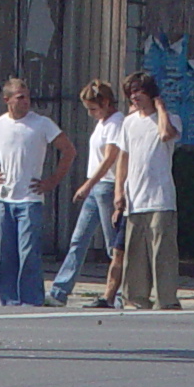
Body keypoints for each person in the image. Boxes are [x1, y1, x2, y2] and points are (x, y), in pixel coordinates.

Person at [0, 76, 74, 306]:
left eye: (27, 97)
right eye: (20, 97)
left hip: (30, 199)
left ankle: (31, 298)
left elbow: (68, 150)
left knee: (28, 252)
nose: (26, 101)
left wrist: (52, 181)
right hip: (4, 199)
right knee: (6, 254)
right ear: (7, 99)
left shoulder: (42, 124)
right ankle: (9, 299)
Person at [45, 79, 126, 307]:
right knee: (78, 240)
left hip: (106, 185)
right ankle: (60, 291)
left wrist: (88, 184)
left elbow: (110, 157)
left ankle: (118, 293)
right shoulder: (103, 123)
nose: (91, 113)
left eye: (93, 108)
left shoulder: (115, 123)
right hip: (96, 187)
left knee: (114, 246)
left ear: (106, 103)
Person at [112, 69, 183, 311]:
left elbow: (166, 135)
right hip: (135, 199)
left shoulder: (170, 118)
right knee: (135, 255)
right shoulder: (129, 123)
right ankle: (136, 298)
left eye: (139, 92)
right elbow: (123, 157)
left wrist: (160, 108)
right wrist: (119, 193)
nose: (134, 97)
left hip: (161, 198)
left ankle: (166, 300)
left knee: (162, 253)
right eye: (131, 93)